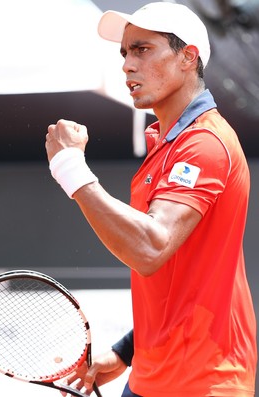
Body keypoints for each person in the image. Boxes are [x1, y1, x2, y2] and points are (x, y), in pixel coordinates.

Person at [45, 2, 257, 396]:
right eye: (125, 53)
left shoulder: (203, 143)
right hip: (150, 376)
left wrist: (71, 168)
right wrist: (127, 351)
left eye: (142, 49)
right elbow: (177, 279)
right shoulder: (169, 144)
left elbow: (149, 248)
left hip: (205, 381)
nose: (127, 64)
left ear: (187, 57)